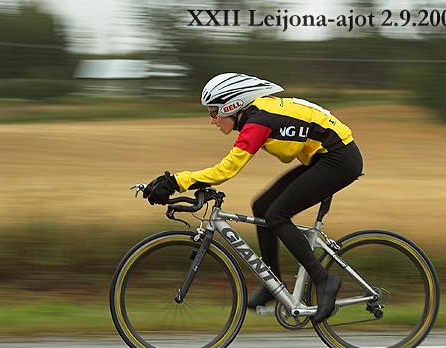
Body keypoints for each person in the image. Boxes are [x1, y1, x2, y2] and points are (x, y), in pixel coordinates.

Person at [142, 73, 363, 323]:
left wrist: (176, 181)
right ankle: (273, 284)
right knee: (262, 206)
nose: (212, 120)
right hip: (324, 157)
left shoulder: (258, 122)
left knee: (277, 215)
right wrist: (178, 181)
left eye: (214, 113)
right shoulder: (255, 116)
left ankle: (324, 281)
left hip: (339, 160)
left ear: (232, 107)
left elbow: (226, 170)